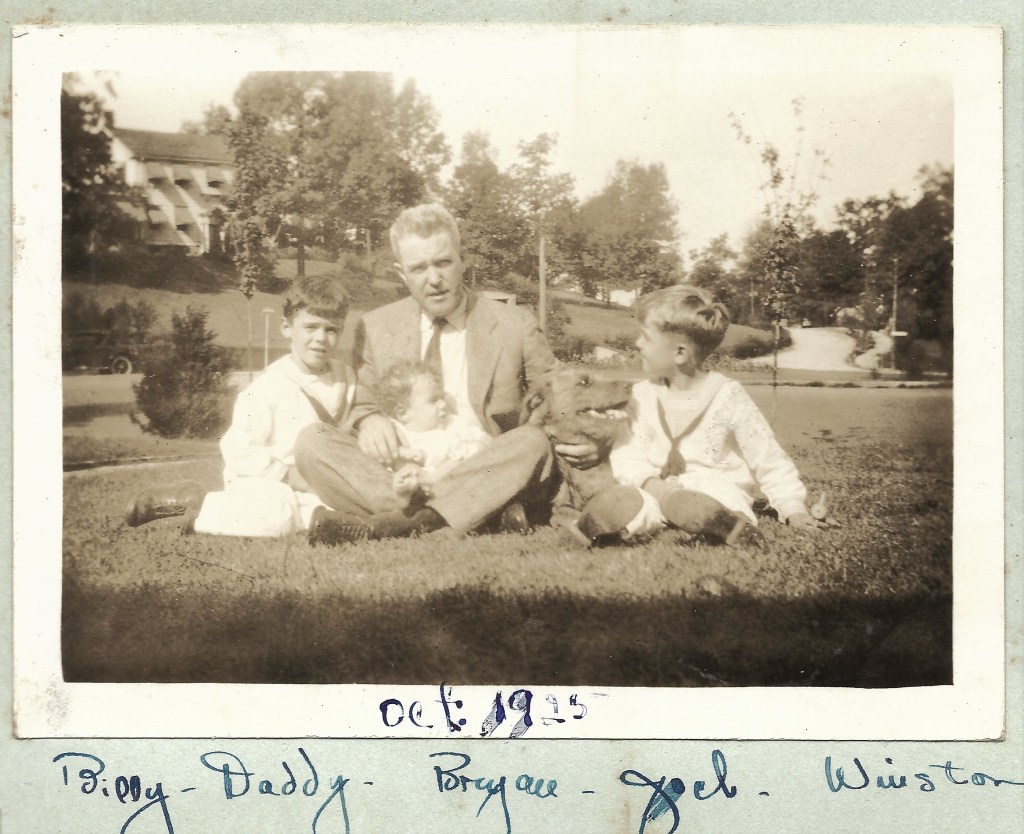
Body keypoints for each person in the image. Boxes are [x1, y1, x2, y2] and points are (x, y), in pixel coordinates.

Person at [297, 203, 598, 544]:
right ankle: (479, 514)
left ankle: (395, 525)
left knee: (531, 441)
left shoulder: (515, 325)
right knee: (312, 441)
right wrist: (369, 420)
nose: (435, 280)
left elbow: (562, 398)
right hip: (407, 472)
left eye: (443, 262)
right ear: (401, 273)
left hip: (486, 464)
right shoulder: (377, 327)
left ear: (462, 260)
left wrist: (590, 440)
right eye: (419, 268)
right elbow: (362, 400)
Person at [573, 284, 820, 547]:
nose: (637, 343)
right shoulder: (643, 395)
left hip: (714, 487)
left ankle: (721, 524)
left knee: (722, 496)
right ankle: (603, 523)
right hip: (658, 489)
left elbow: (767, 456)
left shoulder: (727, 396)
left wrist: (793, 507)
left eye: (646, 337)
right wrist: (651, 483)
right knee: (632, 500)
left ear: (679, 353)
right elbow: (628, 452)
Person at [124, 275, 355, 537]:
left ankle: (317, 518)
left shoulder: (347, 378)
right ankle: (198, 504)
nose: (321, 339)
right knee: (279, 511)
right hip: (266, 480)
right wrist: (288, 476)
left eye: (331, 329)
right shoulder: (270, 385)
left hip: (319, 484)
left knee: (337, 508)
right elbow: (238, 449)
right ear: (286, 327)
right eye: (310, 327)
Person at [375, 360, 491, 505]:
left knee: (458, 461)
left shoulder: (453, 423)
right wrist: (403, 452)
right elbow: (386, 453)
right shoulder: (399, 433)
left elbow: (484, 439)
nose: (443, 404)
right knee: (406, 471)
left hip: (456, 480)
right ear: (403, 413)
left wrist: (480, 444)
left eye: (441, 398)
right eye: (433, 400)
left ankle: (422, 488)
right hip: (418, 477)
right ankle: (406, 496)